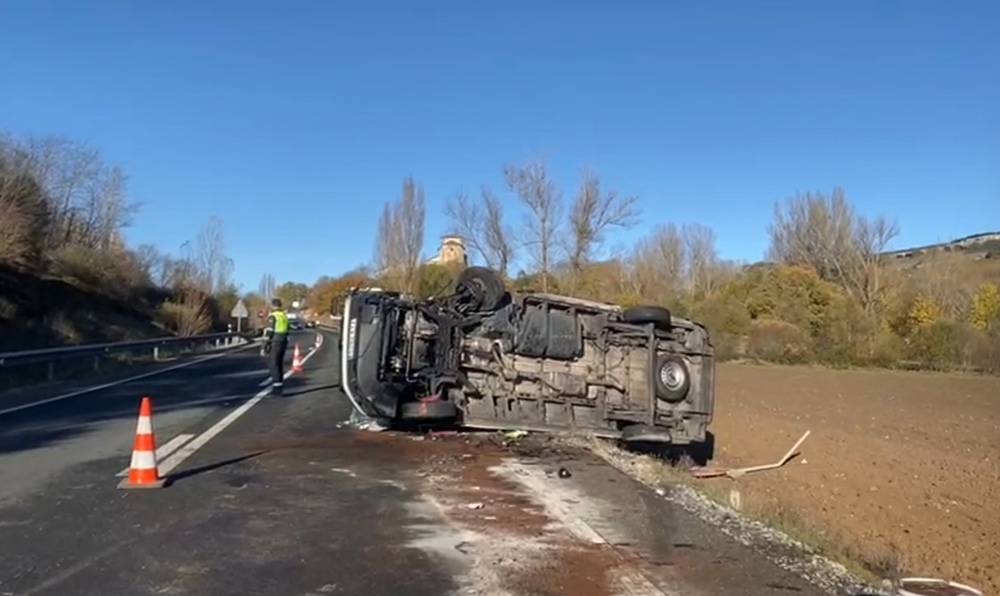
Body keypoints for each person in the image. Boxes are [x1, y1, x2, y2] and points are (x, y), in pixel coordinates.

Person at [261, 298, 290, 396]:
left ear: (273, 305)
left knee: (273, 364)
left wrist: (264, 347)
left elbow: (268, 332)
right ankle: (279, 386)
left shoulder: (273, 316)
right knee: (279, 364)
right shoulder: (284, 316)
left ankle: (276, 389)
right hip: (283, 342)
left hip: (275, 342)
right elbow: (288, 330)